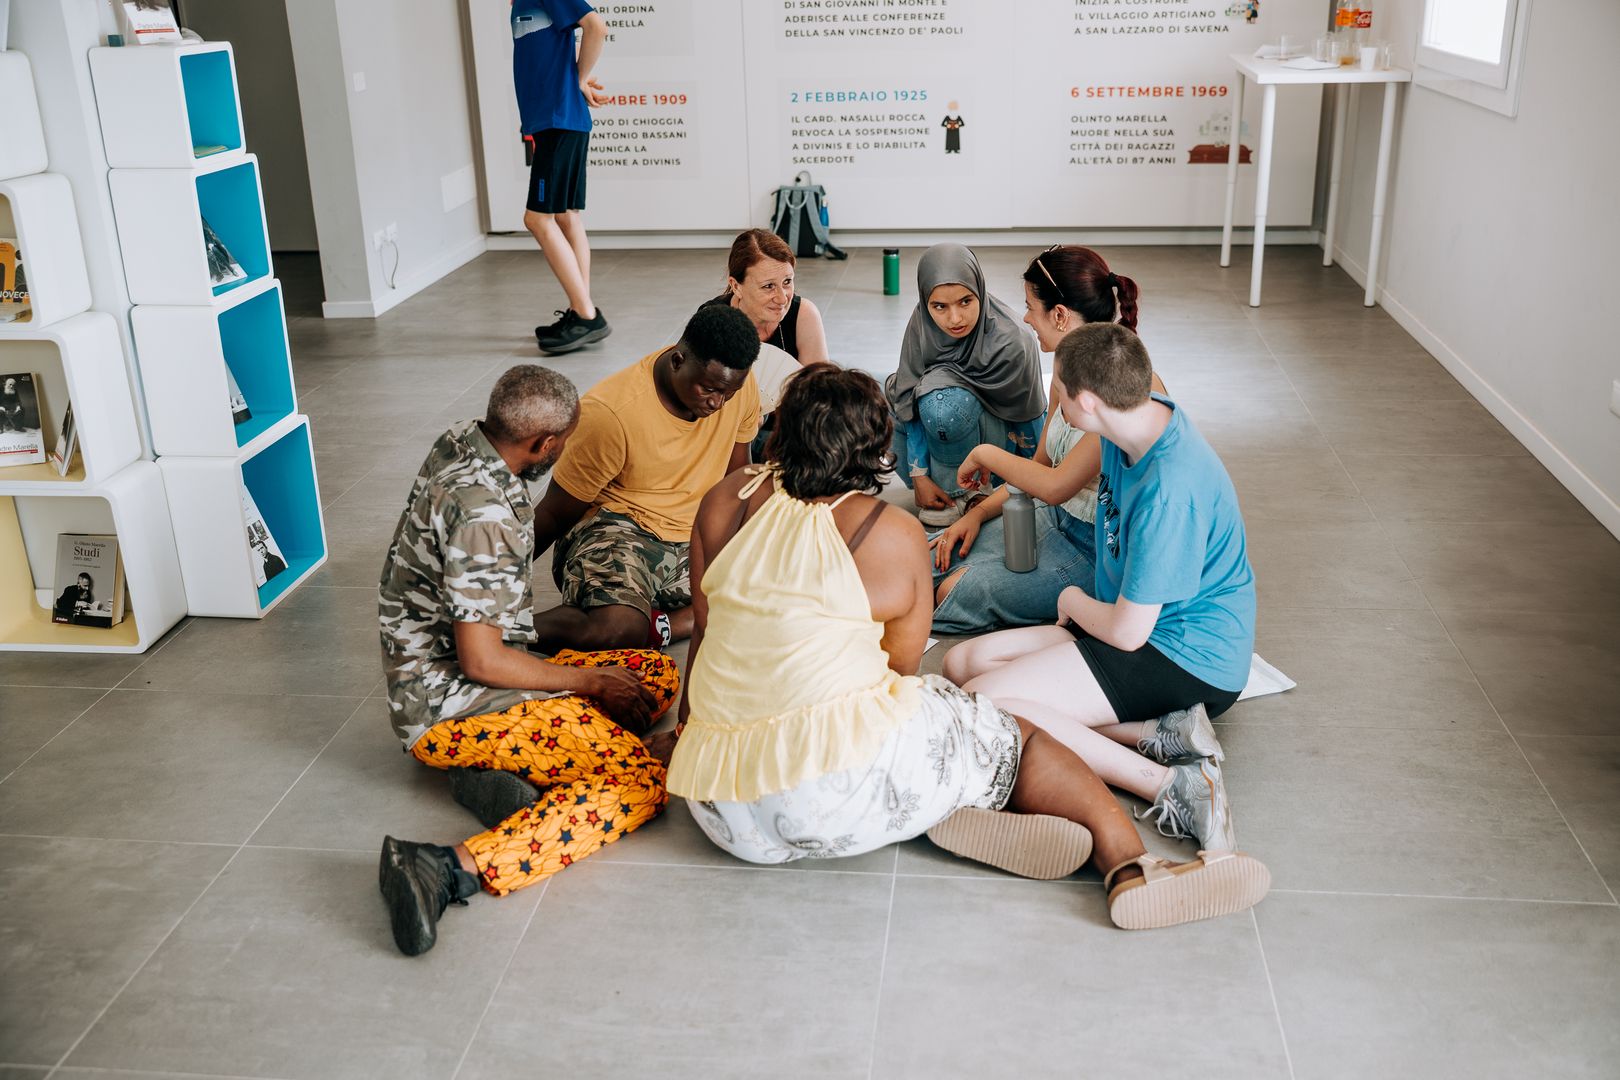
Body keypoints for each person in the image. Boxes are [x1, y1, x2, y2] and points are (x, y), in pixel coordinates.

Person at [665, 364, 1269, 930]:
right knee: (1000, 726)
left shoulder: (725, 499)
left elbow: (708, 631)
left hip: (720, 806)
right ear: (874, 450)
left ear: (780, 431)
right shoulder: (886, 529)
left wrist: (688, 731)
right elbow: (900, 670)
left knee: (957, 698)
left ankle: (944, 801)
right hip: (831, 800)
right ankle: (1132, 864)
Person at [375, 364, 679, 957]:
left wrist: (589, 684)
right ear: (544, 443)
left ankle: (526, 765)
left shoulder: (464, 442)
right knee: (642, 781)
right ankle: (446, 867)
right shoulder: (482, 516)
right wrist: (588, 682)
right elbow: (481, 662)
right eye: (563, 445)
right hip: (454, 704)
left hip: (484, 665)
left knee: (652, 671)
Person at [943, 324, 1257, 853]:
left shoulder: (1170, 491)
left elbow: (1129, 634)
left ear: (1088, 402)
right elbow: (1053, 482)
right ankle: (1158, 734)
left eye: (1061, 392)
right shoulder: (1131, 421)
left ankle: (1174, 785)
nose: (1057, 403)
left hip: (1182, 655)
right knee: (962, 664)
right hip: (1133, 622)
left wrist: (1070, 600)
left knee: (985, 704)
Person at [929, 245, 1154, 635]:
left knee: (954, 590)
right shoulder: (1068, 366)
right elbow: (1038, 470)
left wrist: (984, 453)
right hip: (1051, 517)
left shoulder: (1120, 388)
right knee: (928, 555)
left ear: (1060, 315)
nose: (1026, 318)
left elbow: (1055, 485)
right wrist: (976, 515)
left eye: (1030, 307)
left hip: (1095, 551)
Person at [530, 304, 761, 653]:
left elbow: (738, 479)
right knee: (615, 631)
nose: (718, 403)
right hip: (620, 530)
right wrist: (487, 579)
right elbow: (554, 512)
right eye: (708, 389)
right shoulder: (610, 413)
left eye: (727, 393)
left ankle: (663, 625)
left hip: (694, 535)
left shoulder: (735, 386)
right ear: (678, 360)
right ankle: (501, 632)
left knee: (799, 588)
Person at [885, 243, 1046, 527]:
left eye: (965, 301)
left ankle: (971, 493)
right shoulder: (922, 324)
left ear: (979, 290)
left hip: (996, 455)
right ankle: (938, 488)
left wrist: (1037, 480)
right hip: (944, 443)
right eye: (940, 306)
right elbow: (907, 396)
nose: (955, 319)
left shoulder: (1013, 341)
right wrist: (918, 474)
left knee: (942, 405)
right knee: (878, 397)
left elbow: (1028, 415)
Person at [514, 0, 613, 355]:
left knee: (537, 219)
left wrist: (579, 79)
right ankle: (580, 310)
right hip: (555, 121)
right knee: (566, 216)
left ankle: (586, 315)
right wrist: (574, 80)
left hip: (558, 120)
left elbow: (596, 26)